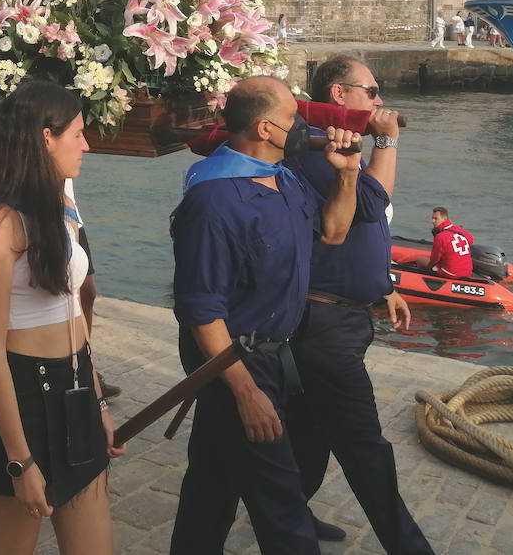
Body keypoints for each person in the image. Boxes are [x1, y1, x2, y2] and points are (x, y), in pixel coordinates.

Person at [170, 77, 361, 554]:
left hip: (277, 355)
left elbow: (334, 232)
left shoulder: (285, 178)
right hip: (235, 362)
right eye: (293, 119)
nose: (302, 127)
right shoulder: (214, 200)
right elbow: (202, 309)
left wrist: (347, 173)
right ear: (265, 128)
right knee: (282, 503)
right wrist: (246, 392)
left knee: (211, 489)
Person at [0, 81, 124, 552]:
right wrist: (20, 461)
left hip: (75, 390)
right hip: (20, 398)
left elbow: (76, 314)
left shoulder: (62, 205)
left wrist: (98, 403)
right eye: (78, 134)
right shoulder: (0, 225)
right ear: (46, 137)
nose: (87, 144)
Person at [284, 57, 433, 553]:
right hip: (323, 321)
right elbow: (370, 205)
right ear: (338, 94)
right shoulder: (309, 142)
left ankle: (290, 515)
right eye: (372, 91)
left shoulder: (339, 143)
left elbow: (366, 222)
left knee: (310, 431)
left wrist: (382, 285)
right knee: (365, 444)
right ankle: (408, 545)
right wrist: (388, 141)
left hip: (343, 313)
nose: (379, 100)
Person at [413, 207, 474, 278]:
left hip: (450, 273)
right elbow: (471, 240)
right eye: (432, 218)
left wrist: (429, 268)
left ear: (444, 219)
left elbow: (434, 259)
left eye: (436, 218)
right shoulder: (460, 230)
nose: (433, 221)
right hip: (467, 272)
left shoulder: (440, 237)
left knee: (420, 260)